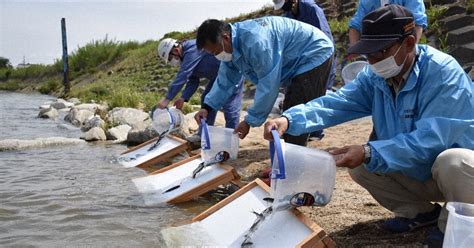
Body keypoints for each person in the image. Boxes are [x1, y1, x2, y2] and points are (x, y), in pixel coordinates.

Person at [264, 5, 473, 247]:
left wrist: (370, 151)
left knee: (453, 161)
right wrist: (289, 120)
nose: (373, 61)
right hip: (419, 170)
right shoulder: (376, 77)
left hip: (459, 176)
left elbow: (431, 141)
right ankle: (420, 213)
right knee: (362, 165)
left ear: (408, 43)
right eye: (368, 53)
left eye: (381, 51)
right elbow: (338, 103)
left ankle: (456, 224)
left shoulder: (442, 73)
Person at [194, 16, 334, 146]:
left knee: (294, 109)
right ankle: (290, 155)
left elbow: (268, 85)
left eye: (215, 51)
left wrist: (249, 121)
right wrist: (207, 108)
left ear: (225, 38)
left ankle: (292, 163)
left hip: (314, 53)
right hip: (296, 61)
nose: (216, 55)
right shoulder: (231, 47)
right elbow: (225, 81)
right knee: (291, 110)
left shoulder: (256, 41)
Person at [156, 38, 243, 130]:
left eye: (170, 58)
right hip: (217, 78)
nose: (171, 61)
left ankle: (232, 137)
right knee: (207, 100)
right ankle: (205, 133)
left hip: (232, 72)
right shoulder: (185, 58)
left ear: (176, 50)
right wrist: (183, 98)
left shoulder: (193, 48)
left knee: (230, 106)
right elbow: (193, 80)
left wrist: (167, 99)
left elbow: (184, 74)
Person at [349, 0, 427, 45]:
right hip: (377, 47)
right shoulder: (367, 2)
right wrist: (356, 53)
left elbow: (417, 22)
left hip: (404, 41)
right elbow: (356, 26)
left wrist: (410, 49)